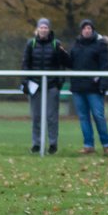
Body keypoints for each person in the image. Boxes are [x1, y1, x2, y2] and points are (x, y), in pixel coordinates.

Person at [20, 17, 70, 154]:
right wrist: (25, 81)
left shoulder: (56, 43)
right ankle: (36, 143)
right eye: (41, 27)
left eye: (46, 27)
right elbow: (25, 64)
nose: (43, 29)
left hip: (51, 85)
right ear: (37, 29)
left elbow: (62, 64)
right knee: (36, 116)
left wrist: (60, 81)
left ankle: (53, 144)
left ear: (49, 29)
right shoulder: (31, 44)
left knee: (51, 117)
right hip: (35, 85)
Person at [69, 18, 108, 155]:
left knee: (98, 116)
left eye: (89, 28)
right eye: (85, 28)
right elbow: (70, 62)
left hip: (94, 88)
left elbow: (104, 66)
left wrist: (103, 84)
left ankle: (106, 145)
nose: (87, 30)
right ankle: (88, 145)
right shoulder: (75, 46)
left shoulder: (100, 45)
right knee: (83, 117)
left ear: (92, 30)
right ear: (81, 30)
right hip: (78, 87)